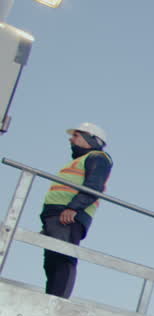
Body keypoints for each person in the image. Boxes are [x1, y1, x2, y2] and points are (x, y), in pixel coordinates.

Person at [41, 121, 113, 299]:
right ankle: (49, 301)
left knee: (62, 259)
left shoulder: (98, 157)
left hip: (69, 216)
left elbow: (94, 186)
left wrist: (74, 208)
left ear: (91, 139)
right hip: (58, 216)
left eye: (76, 135)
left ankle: (56, 304)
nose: (70, 139)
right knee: (51, 261)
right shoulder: (80, 160)